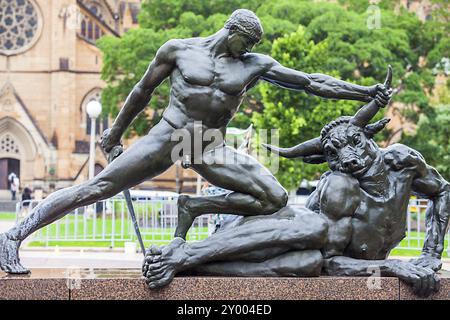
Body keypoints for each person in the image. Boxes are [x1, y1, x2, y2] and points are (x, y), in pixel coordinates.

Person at [0, 9, 391, 274]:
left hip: (208, 144)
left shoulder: (254, 65)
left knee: (274, 198)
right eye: (247, 42)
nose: (250, 50)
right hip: (171, 134)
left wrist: (363, 93)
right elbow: (141, 92)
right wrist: (115, 133)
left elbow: (310, 82)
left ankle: (195, 205)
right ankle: (14, 235)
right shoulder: (179, 50)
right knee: (97, 188)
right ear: (232, 31)